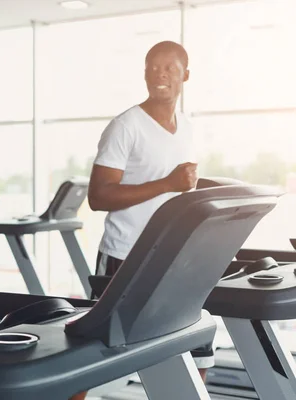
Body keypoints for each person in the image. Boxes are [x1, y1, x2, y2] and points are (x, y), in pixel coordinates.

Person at [70, 41, 206, 400]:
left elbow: (178, 188)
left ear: (185, 76)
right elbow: (99, 196)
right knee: (89, 354)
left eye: (169, 69)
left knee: (192, 345)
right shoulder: (126, 126)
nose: (159, 74)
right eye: (152, 67)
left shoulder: (187, 128)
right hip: (123, 254)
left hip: (170, 257)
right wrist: (167, 183)